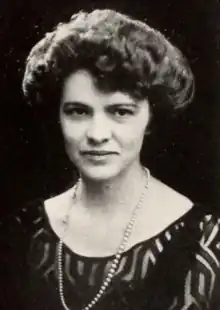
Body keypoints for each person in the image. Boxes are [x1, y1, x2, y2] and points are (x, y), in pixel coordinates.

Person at [1, 8, 220, 310]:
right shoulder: (20, 235)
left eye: (120, 111)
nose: (97, 134)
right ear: (58, 116)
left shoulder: (206, 243)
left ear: (150, 117)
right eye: (78, 111)